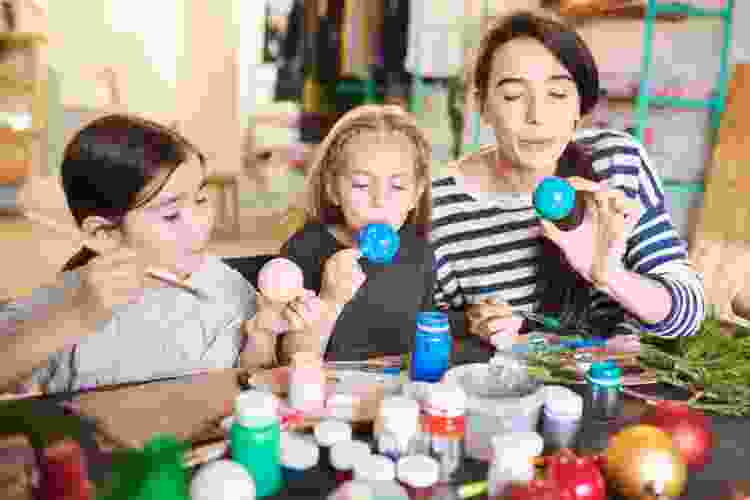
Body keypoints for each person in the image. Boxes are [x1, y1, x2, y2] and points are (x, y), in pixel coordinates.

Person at [430, 11, 705, 346]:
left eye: (557, 95)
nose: (537, 116)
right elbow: (425, 331)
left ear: (580, 106)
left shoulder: (616, 165)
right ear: (482, 105)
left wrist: (609, 276)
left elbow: (689, 316)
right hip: (504, 394)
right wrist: (472, 324)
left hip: (613, 391)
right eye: (514, 96)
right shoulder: (439, 204)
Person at [0, 114, 316, 393]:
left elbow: (246, 386)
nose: (199, 226)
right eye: (170, 216)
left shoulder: (222, 282)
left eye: (201, 200)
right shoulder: (69, 299)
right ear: (104, 234)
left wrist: (261, 333)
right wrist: (77, 317)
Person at [247, 105, 436, 363]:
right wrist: (330, 299)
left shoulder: (420, 253)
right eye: (361, 185)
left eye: (398, 186)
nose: (379, 200)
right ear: (333, 189)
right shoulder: (304, 250)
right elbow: (291, 360)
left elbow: (421, 345)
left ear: (416, 194)